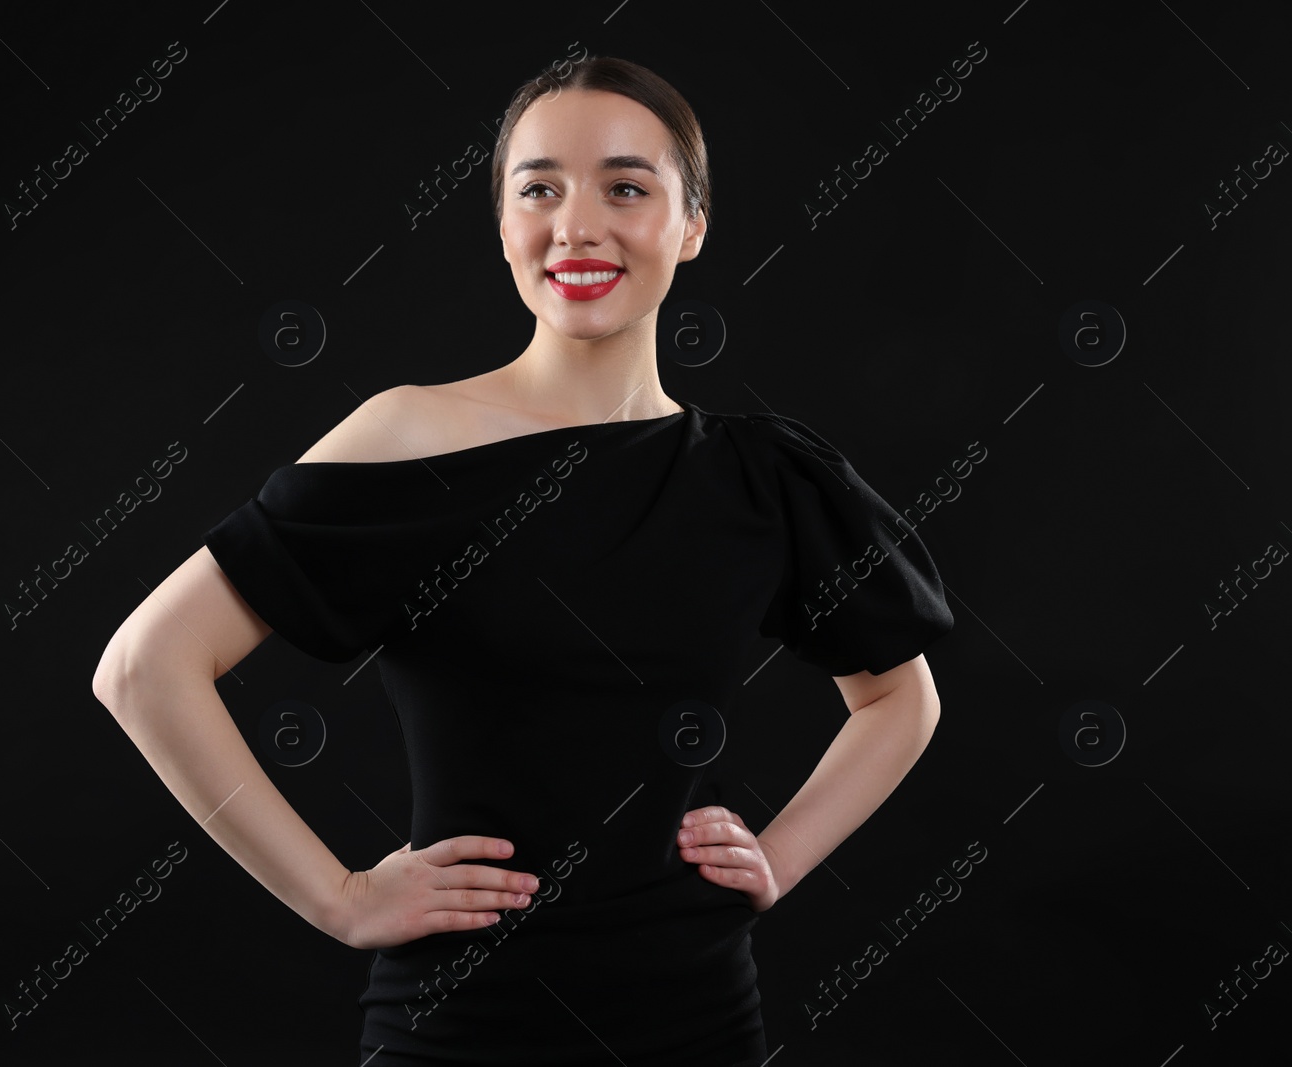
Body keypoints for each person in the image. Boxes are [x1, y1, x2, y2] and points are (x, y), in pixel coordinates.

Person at [93, 55, 953, 1066]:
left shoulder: (762, 476)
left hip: (694, 1017)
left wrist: (781, 854)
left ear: (692, 223)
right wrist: (337, 895)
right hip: (458, 1022)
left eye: (625, 188)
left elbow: (901, 697)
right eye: (538, 188)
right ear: (502, 225)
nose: (576, 225)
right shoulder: (407, 437)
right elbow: (144, 668)